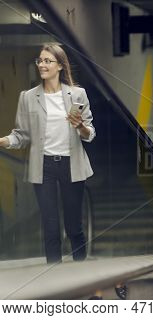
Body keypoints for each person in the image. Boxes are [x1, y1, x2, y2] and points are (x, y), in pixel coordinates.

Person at [0, 43, 95, 264]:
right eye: (39, 61)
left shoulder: (78, 94)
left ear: (60, 66)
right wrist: (4, 141)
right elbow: (21, 135)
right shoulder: (28, 97)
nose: (41, 65)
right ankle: (55, 278)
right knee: (50, 228)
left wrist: (80, 126)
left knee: (73, 227)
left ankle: (81, 273)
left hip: (72, 165)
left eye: (47, 61)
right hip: (43, 168)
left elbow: (90, 133)